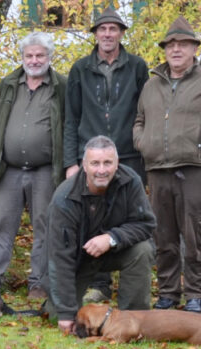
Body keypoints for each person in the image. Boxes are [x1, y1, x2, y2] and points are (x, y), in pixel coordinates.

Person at [134, 16, 201, 313]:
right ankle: (168, 293)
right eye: (171, 45)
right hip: (157, 170)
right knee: (163, 235)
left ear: (194, 48)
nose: (176, 50)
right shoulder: (151, 85)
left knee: (194, 234)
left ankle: (196, 294)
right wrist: (143, 142)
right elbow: (139, 120)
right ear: (165, 50)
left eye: (183, 45)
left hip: (195, 168)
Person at [63, 6, 149, 304]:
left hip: (129, 156)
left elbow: (145, 112)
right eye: (103, 29)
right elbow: (71, 118)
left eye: (114, 29)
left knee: (129, 219)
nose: (108, 34)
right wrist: (71, 163)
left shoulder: (137, 67)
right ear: (96, 34)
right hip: (91, 158)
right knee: (94, 219)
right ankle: (99, 283)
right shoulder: (80, 69)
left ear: (122, 33)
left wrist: (141, 146)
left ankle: (133, 286)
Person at [0, 32, 65, 301]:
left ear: (49, 57)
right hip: (10, 170)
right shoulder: (7, 85)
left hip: (45, 171)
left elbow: (72, 125)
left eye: (40, 55)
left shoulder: (62, 86)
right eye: (29, 55)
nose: (35, 60)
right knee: (1, 226)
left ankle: (38, 284)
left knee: (45, 228)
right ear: (22, 57)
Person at [46, 136, 155, 334]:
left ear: (117, 164)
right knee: (58, 314)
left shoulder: (131, 181)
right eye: (95, 163)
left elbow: (146, 224)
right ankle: (62, 306)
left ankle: (133, 317)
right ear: (84, 166)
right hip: (77, 261)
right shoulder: (64, 197)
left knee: (143, 250)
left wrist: (112, 238)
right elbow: (59, 257)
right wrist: (65, 313)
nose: (102, 170)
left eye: (108, 163)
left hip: (115, 250)